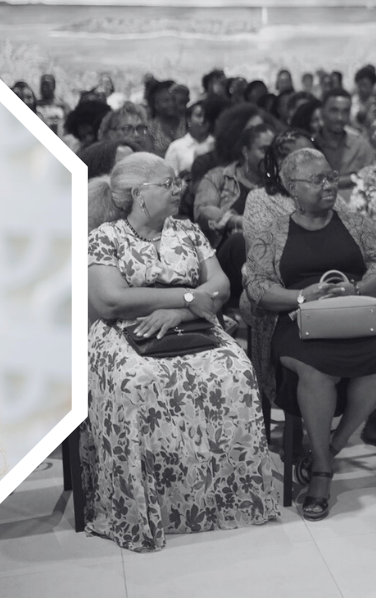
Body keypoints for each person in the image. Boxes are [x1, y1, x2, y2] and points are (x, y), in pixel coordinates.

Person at [86, 154, 279, 551]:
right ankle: (153, 505)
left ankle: (223, 497)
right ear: (139, 194)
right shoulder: (106, 237)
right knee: (136, 380)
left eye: (177, 182)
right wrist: (189, 296)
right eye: (168, 183)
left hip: (191, 325)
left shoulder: (187, 231)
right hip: (124, 332)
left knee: (236, 370)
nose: (179, 189)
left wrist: (179, 311)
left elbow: (221, 287)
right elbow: (110, 301)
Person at [241, 149, 376, 521]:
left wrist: (357, 287)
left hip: (357, 314)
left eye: (331, 176)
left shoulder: (356, 223)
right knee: (314, 369)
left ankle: (327, 449)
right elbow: (257, 287)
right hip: (299, 320)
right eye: (318, 180)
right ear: (292, 187)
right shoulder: (272, 232)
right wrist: (301, 295)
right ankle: (322, 474)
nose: (329, 185)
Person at [312, 89, 376, 192]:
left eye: (345, 112)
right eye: (334, 111)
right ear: (321, 112)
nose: (340, 117)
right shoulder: (310, 144)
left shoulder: (361, 146)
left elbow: (373, 179)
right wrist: (352, 178)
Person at [165, 98, 225, 176]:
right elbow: (168, 176)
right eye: (199, 116)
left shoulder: (217, 144)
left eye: (206, 116)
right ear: (189, 120)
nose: (203, 120)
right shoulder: (176, 147)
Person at [145, 79, 186, 156]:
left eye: (174, 99)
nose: (171, 104)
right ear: (156, 105)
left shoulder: (187, 123)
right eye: (166, 101)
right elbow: (149, 155)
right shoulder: (151, 129)